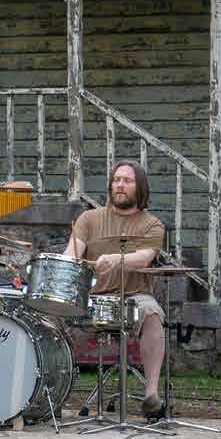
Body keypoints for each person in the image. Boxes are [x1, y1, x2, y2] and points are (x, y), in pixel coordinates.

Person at [64, 160, 168, 416]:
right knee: (48, 310)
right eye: (116, 180)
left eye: (127, 181)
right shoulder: (88, 218)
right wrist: (65, 262)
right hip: (91, 298)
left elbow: (145, 257)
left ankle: (151, 395)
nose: (120, 185)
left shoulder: (152, 224)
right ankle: (46, 390)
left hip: (134, 297)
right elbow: (71, 254)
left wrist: (116, 259)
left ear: (140, 187)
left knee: (153, 313)